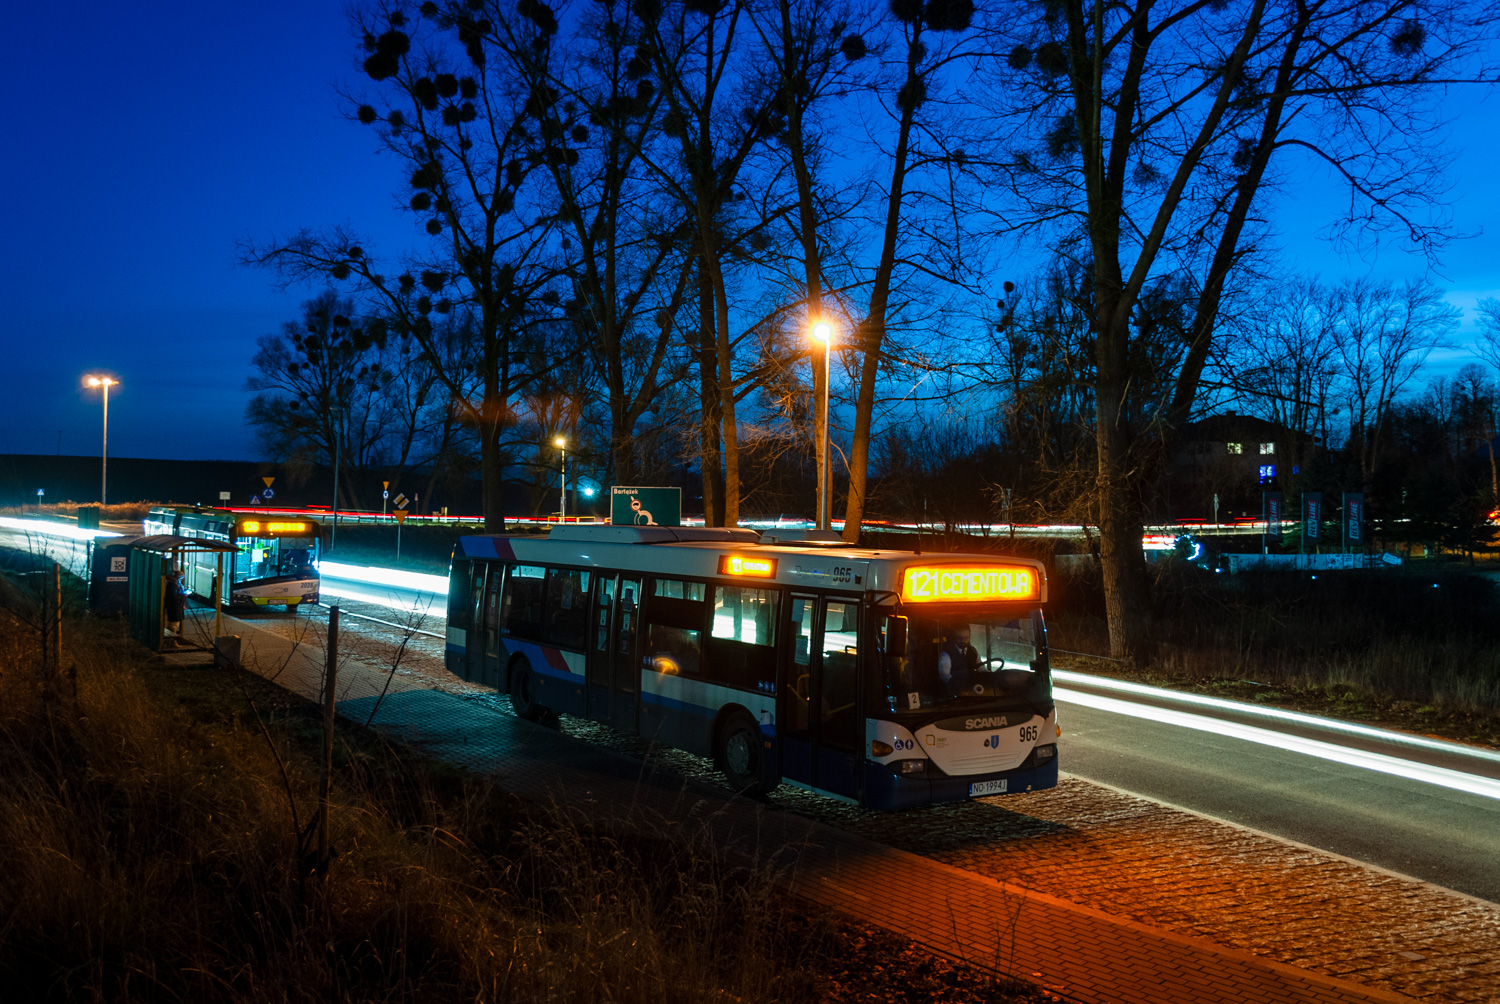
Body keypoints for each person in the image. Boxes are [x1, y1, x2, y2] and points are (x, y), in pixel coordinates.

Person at [937, 624, 980, 698]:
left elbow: (981, 668)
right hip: (955, 695)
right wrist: (958, 688)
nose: (963, 641)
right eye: (959, 638)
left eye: (966, 638)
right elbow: (945, 676)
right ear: (954, 637)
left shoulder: (973, 651)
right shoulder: (946, 654)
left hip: (973, 691)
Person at [164, 569, 187, 644]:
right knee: (174, 625)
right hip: (175, 607)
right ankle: (172, 642)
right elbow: (174, 597)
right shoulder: (174, 585)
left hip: (174, 607)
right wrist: (183, 596)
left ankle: (170, 641)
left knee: (172, 624)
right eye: (182, 577)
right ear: (179, 577)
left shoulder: (172, 583)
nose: (182, 579)